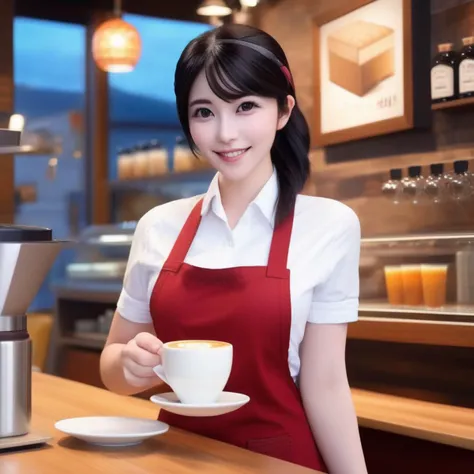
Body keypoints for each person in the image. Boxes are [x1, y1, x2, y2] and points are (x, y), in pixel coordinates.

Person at [100, 23, 367, 473]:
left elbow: (325, 385)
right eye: (204, 112)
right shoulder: (157, 226)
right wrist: (127, 366)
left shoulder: (330, 225)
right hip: (172, 459)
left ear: (283, 111)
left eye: (245, 106)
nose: (225, 133)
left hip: (278, 460)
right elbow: (112, 366)